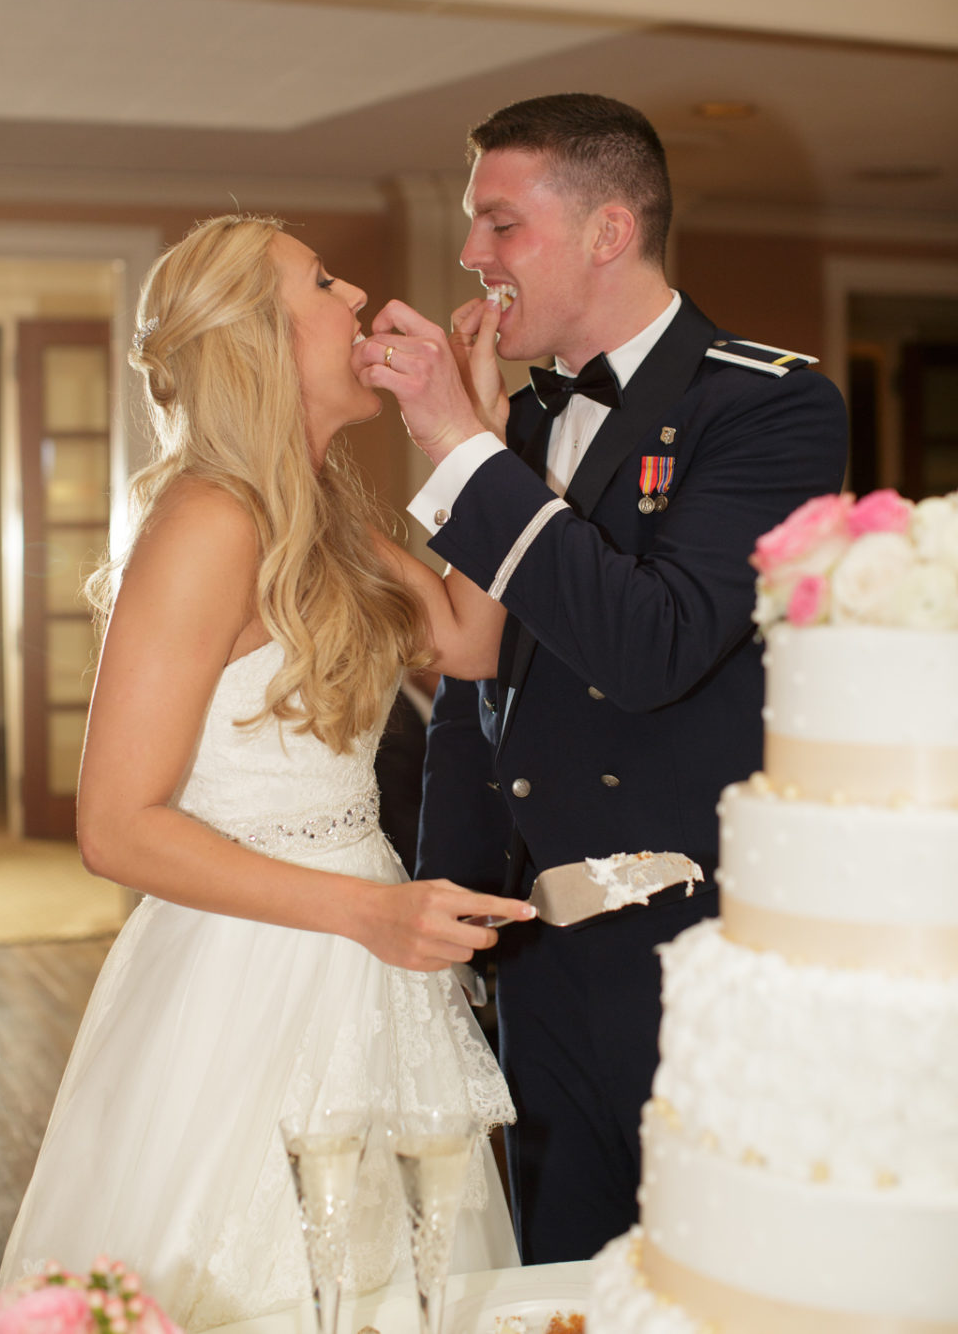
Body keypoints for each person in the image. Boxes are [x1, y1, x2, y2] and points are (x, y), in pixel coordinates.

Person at [0, 215, 535, 1331]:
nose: (358, 297)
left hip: (365, 957)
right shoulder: (206, 521)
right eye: (325, 282)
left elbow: (473, 641)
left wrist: (468, 435)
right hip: (255, 970)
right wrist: (368, 913)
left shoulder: (324, 511)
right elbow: (117, 827)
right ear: (261, 341)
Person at [352, 92, 850, 1264]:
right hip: (530, 949)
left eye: (500, 224)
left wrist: (460, 448)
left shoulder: (770, 405)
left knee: (704, 1267)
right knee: (557, 1273)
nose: (473, 257)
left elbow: (652, 648)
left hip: (684, 952)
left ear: (607, 232)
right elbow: (480, 675)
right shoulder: (512, 428)